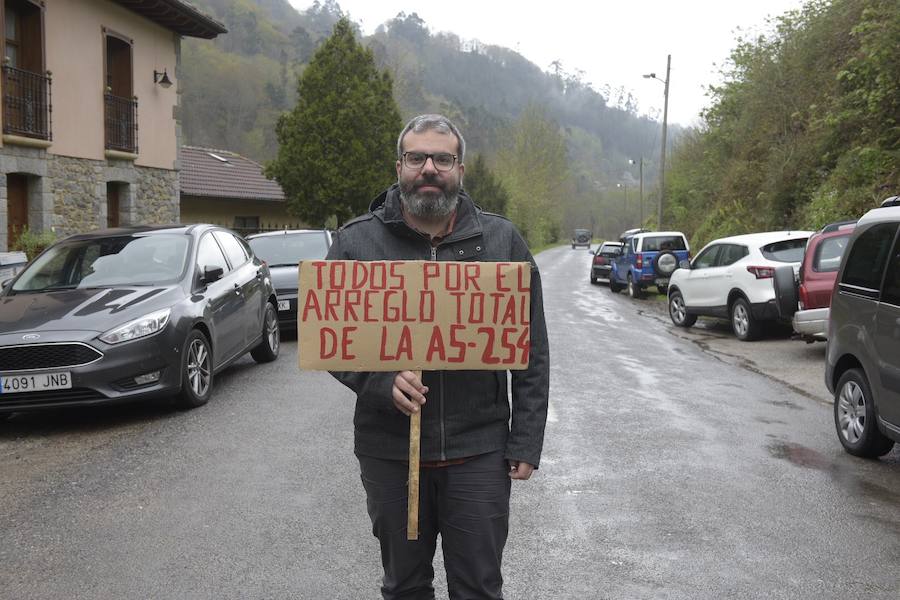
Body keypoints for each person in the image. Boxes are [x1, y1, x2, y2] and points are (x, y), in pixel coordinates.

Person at [326, 114, 550, 600]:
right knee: (404, 586)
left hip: (479, 450)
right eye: (416, 158)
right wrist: (378, 381)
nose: (429, 168)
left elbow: (531, 351)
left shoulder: (501, 242)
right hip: (390, 452)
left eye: (442, 159)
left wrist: (526, 440)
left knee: (479, 588)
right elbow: (333, 340)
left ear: (460, 169)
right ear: (400, 166)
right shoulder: (356, 242)